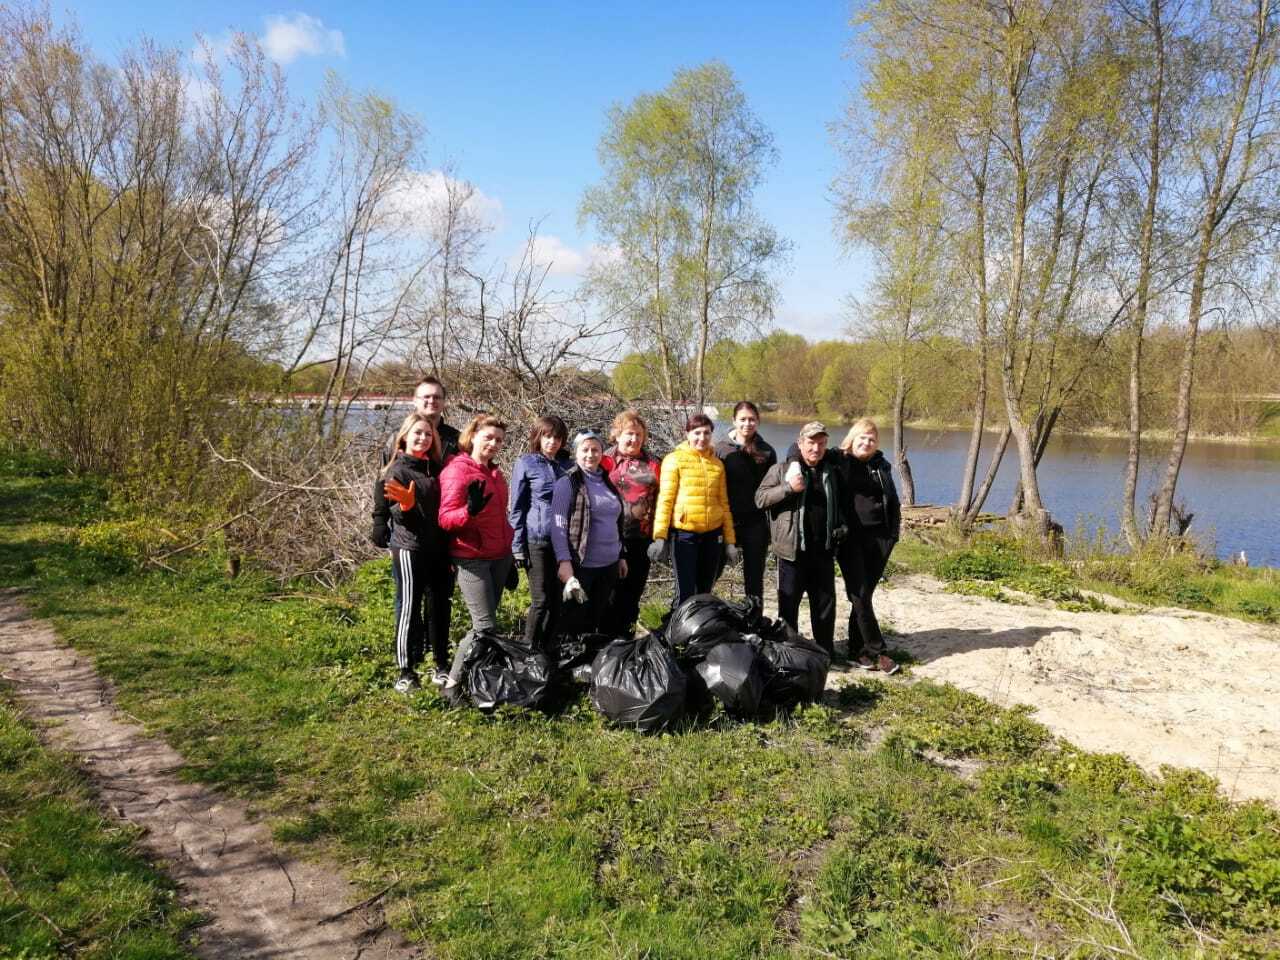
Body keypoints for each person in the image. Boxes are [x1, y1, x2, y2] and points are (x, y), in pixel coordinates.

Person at [371, 413, 453, 691]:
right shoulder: (397, 470)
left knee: (439, 608)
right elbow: (399, 517)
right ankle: (405, 672)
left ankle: (440, 664)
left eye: (428, 434)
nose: (423, 438)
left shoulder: (436, 468)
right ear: (405, 436)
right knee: (409, 607)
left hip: (438, 548)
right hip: (409, 548)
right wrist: (405, 507)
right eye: (418, 433)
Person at [437, 414, 516, 700]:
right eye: (488, 438)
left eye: (499, 440)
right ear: (473, 436)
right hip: (471, 558)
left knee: (486, 628)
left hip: (499, 556)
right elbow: (445, 519)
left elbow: (501, 517)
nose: (494, 444)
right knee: (484, 626)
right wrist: (468, 511)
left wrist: (510, 553)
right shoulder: (457, 471)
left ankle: (477, 679)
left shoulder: (495, 473)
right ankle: (452, 686)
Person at [754, 421, 845, 657]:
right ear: (800, 443)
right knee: (788, 608)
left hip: (823, 552)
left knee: (824, 608)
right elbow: (760, 499)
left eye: (821, 443)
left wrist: (840, 526)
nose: (816, 448)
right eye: (811, 442)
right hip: (791, 553)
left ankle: (825, 653)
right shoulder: (781, 470)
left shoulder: (831, 471)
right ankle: (789, 654)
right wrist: (787, 488)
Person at [650, 413, 739, 608]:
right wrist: (659, 537)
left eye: (707, 433)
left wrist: (730, 542)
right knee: (685, 591)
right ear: (687, 433)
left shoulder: (717, 465)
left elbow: (724, 504)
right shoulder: (674, 460)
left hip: (712, 536)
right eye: (697, 432)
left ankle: (700, 633)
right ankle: (678, 633)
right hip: (684, 535)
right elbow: (665, 500)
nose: (702, 437)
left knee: (706, 591)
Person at [838, 418, 901, 674]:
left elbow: (893, 501)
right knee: (860, 593)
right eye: (862, 437)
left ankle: (857, 650)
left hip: (880, 539)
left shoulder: (880, 466)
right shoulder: (838, 460)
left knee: (865, 596)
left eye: (871, 439)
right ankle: (878, 650)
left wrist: (893, 535)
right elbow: (802, 448)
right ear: (852, 438)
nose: (866, 442)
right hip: (849, 539)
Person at [550, 431, 628, 635]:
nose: (590, 455)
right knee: (574, 621)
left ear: (602, 452)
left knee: (596, 619)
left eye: (595, 450)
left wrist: (621, 556)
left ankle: (590, 662)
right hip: (582, 565)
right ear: (576, 453)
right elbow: (558, 526)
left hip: (609, 566)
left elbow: (616, 521)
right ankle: (568, 663)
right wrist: (564, 563)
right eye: (585, 450)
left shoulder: (607, 482)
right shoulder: (568, 483)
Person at [508, 415, 570, 649]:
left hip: (563, 541)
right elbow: (516, 508)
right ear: (538, 436)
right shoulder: (526, 463)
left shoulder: (567, 465)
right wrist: (517, 547)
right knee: (541, 599)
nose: (552, 442)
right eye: (547, 436)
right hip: (537, 538)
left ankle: (548, 650)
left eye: (557, 437)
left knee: (557, 600)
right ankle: (527, 649)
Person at [600, 410, 662, 638]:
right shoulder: (603, 460)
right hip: (606, 539)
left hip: (640, 540)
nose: (634, 439)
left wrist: (661, 537)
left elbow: (663, 502)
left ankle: (625, 642)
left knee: (632, 593)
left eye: (638, 434)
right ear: (616, 435)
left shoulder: (654, 465)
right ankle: (603, 642)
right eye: (629, 433)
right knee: (607, 593)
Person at [714, 401, 777, 605]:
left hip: (755, 523)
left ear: (758, 421)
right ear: (734, 421)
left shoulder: (767, 451)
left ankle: (754, 624)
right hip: (724, 522)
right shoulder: (720, 449)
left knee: (754, 580)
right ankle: (698, 619)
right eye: (742, 419)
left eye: (752, 419)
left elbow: (772, 489)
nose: (747, 424)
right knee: (711, 573)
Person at [382, 376, 460, 466]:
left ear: (444, 402)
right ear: (415, 401)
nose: (431, 401)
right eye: (426, 397)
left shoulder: (456, 439)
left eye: (437, 397)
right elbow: (385, 474)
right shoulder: (398, 437)